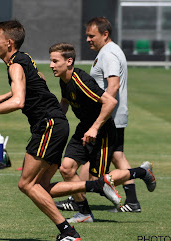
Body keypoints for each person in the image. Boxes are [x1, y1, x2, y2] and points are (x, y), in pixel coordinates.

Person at [0, 20, 124, 241]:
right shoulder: (25, 58)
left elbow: (19, 101)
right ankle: (97, 185)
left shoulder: (15, 65)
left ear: (9, 43)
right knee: (42, 187)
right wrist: (5, 95)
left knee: (26, 184)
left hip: (47, 125)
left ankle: (67, 231)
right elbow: (39, 82)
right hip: (57, 123)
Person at [48, 42, 156, 224]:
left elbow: (110, 102)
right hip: (84, 128)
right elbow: (65, 101)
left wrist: (95, 128)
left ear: (68, 61)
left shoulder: (82, 81)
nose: (51, 65)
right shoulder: (64, 80)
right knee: (66, 168)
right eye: (51, 61)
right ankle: (84, 213)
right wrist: (55, 121)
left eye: (54, 61)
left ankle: (142, 172)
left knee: (97, 180)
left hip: (103, 130)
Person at [56, 17, 142, 216]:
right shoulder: (107, 52)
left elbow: (112, 87)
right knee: (114, 155)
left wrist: (99, 119)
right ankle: (132, 199)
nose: (87, 39)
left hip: (106, 118)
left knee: (99, 166)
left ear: (105, 35)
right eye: (87, 35)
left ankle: (140, 176)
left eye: (91, 35)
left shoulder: (109, 54)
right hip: (107, 117)